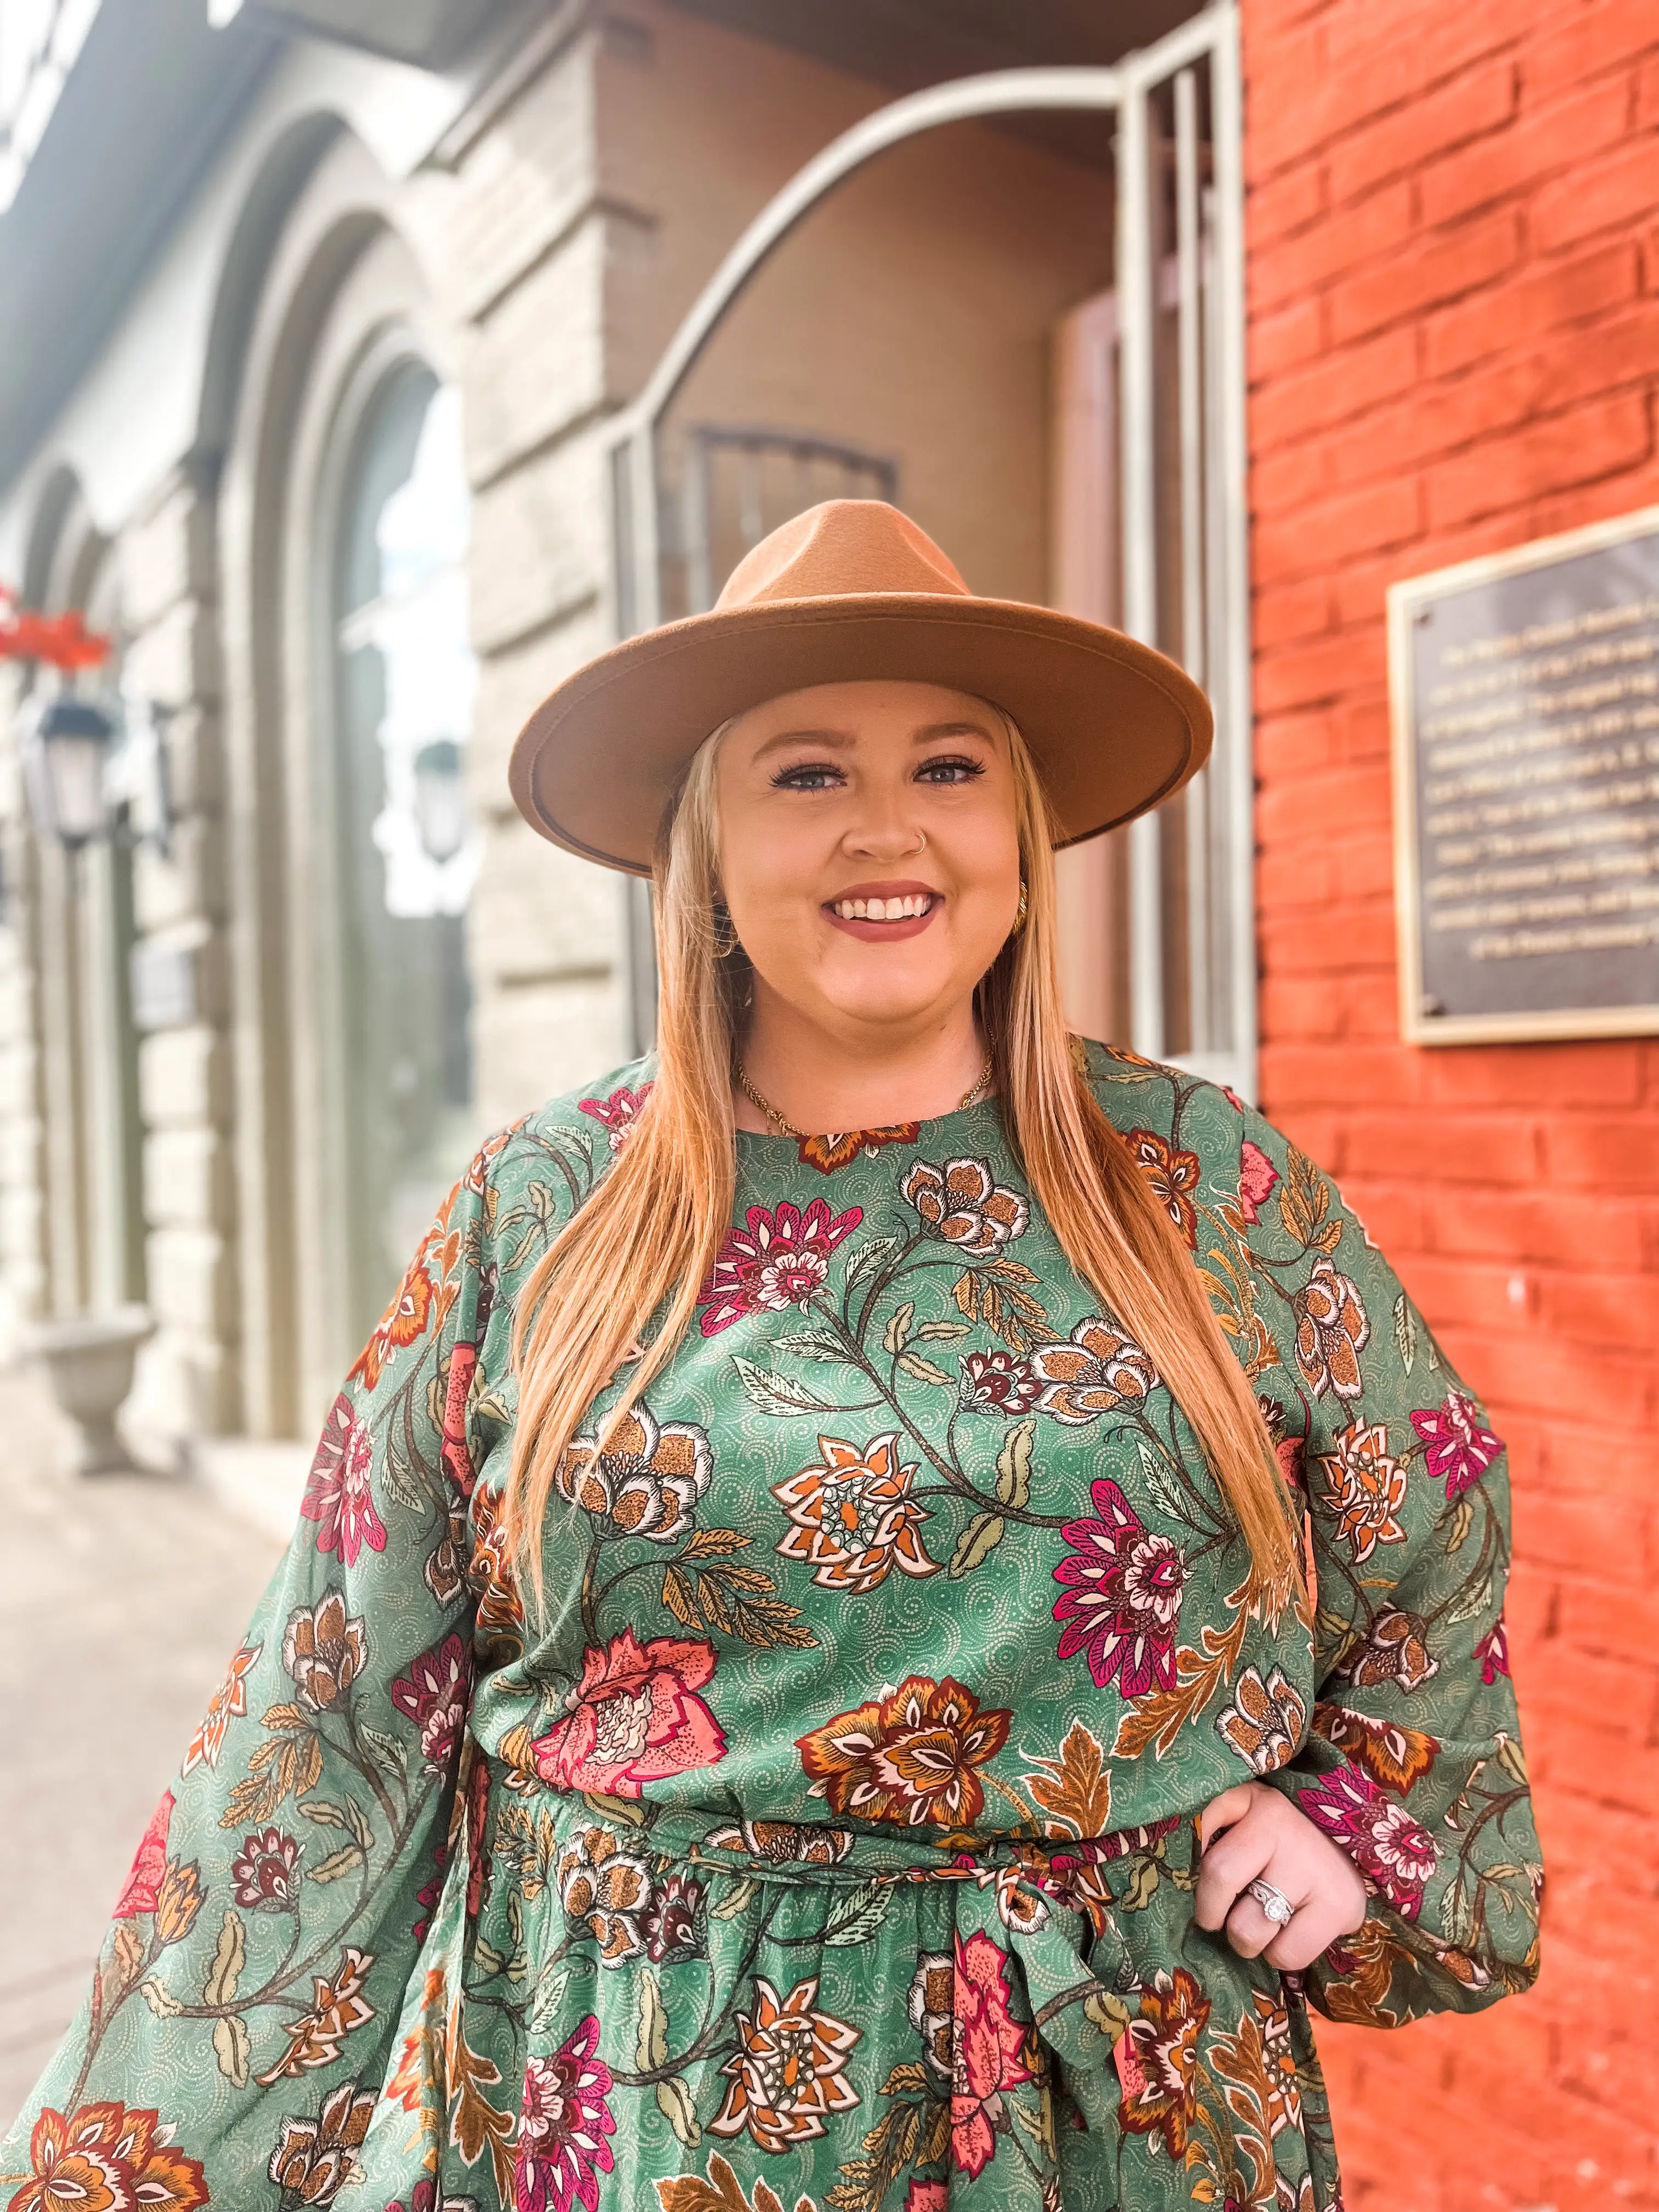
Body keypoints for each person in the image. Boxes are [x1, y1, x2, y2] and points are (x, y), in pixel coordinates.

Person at [2, 502, 1539, 2212]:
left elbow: (1437, 1515)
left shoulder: (1200, 1183)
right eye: (806, 774)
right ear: (702, 848)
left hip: (1110, 2114)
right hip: (630, 2101)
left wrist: (1360, 1818)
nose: (890, 831)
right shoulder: (547, 1211)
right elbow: (335, 1714)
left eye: (951, 768)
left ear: (1020, 833)